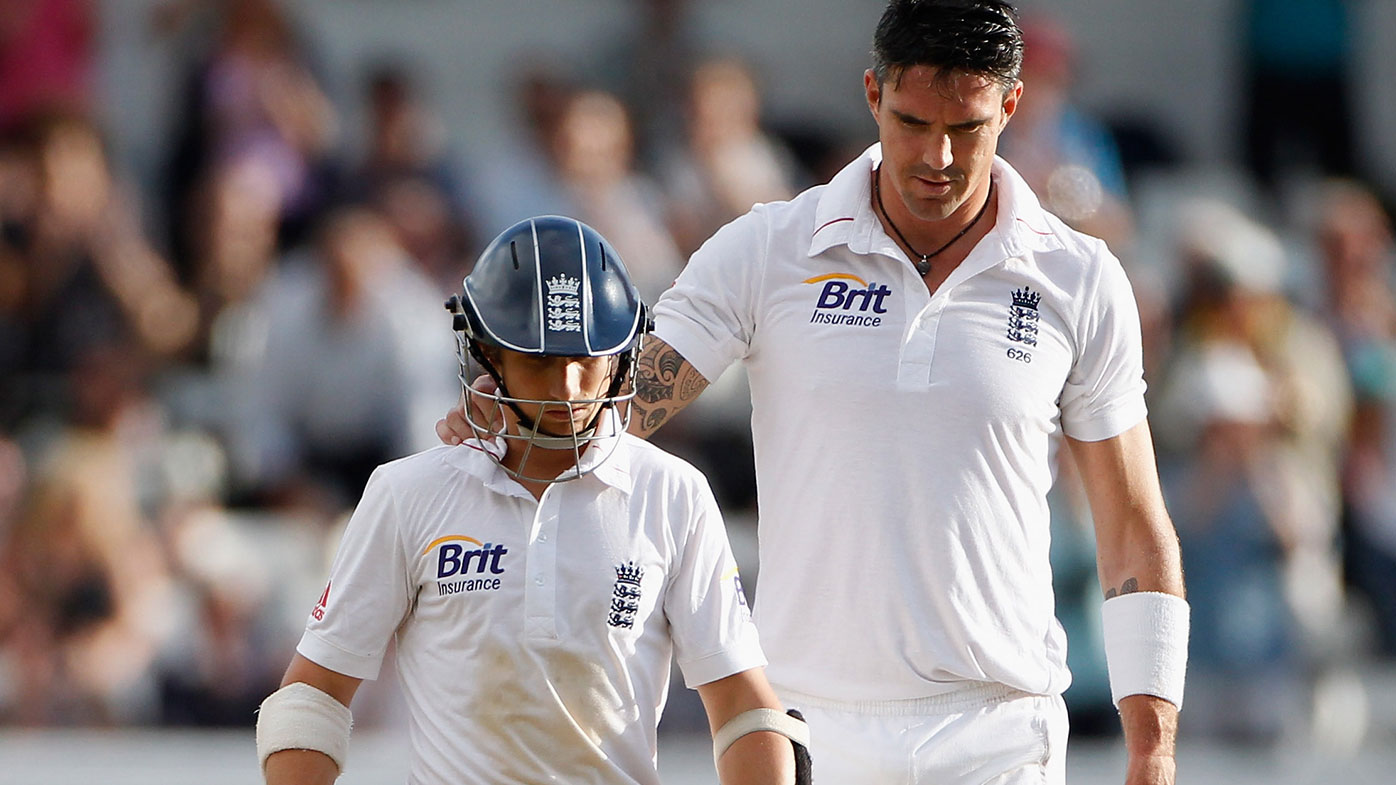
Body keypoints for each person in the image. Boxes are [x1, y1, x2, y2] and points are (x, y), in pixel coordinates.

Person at [440, 3, 1188, 783]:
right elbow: (627, 403)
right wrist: (510, 426)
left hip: (999, 732)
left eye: (966, 129)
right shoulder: (771, 248)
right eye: (911, 121)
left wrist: (1153, 747)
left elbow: (1133, 525)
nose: (937, 156)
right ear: (872, 95)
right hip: (805, 729)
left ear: (1010, 106)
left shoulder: (1078, 276)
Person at [256, 216, 810, 785]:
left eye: (586, 360)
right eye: (540, 362)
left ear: (621, 357)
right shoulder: (408, 493)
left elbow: (746, 710)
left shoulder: (673, 493)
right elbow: (311, 703)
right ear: (489, 355)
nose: (568, 389)